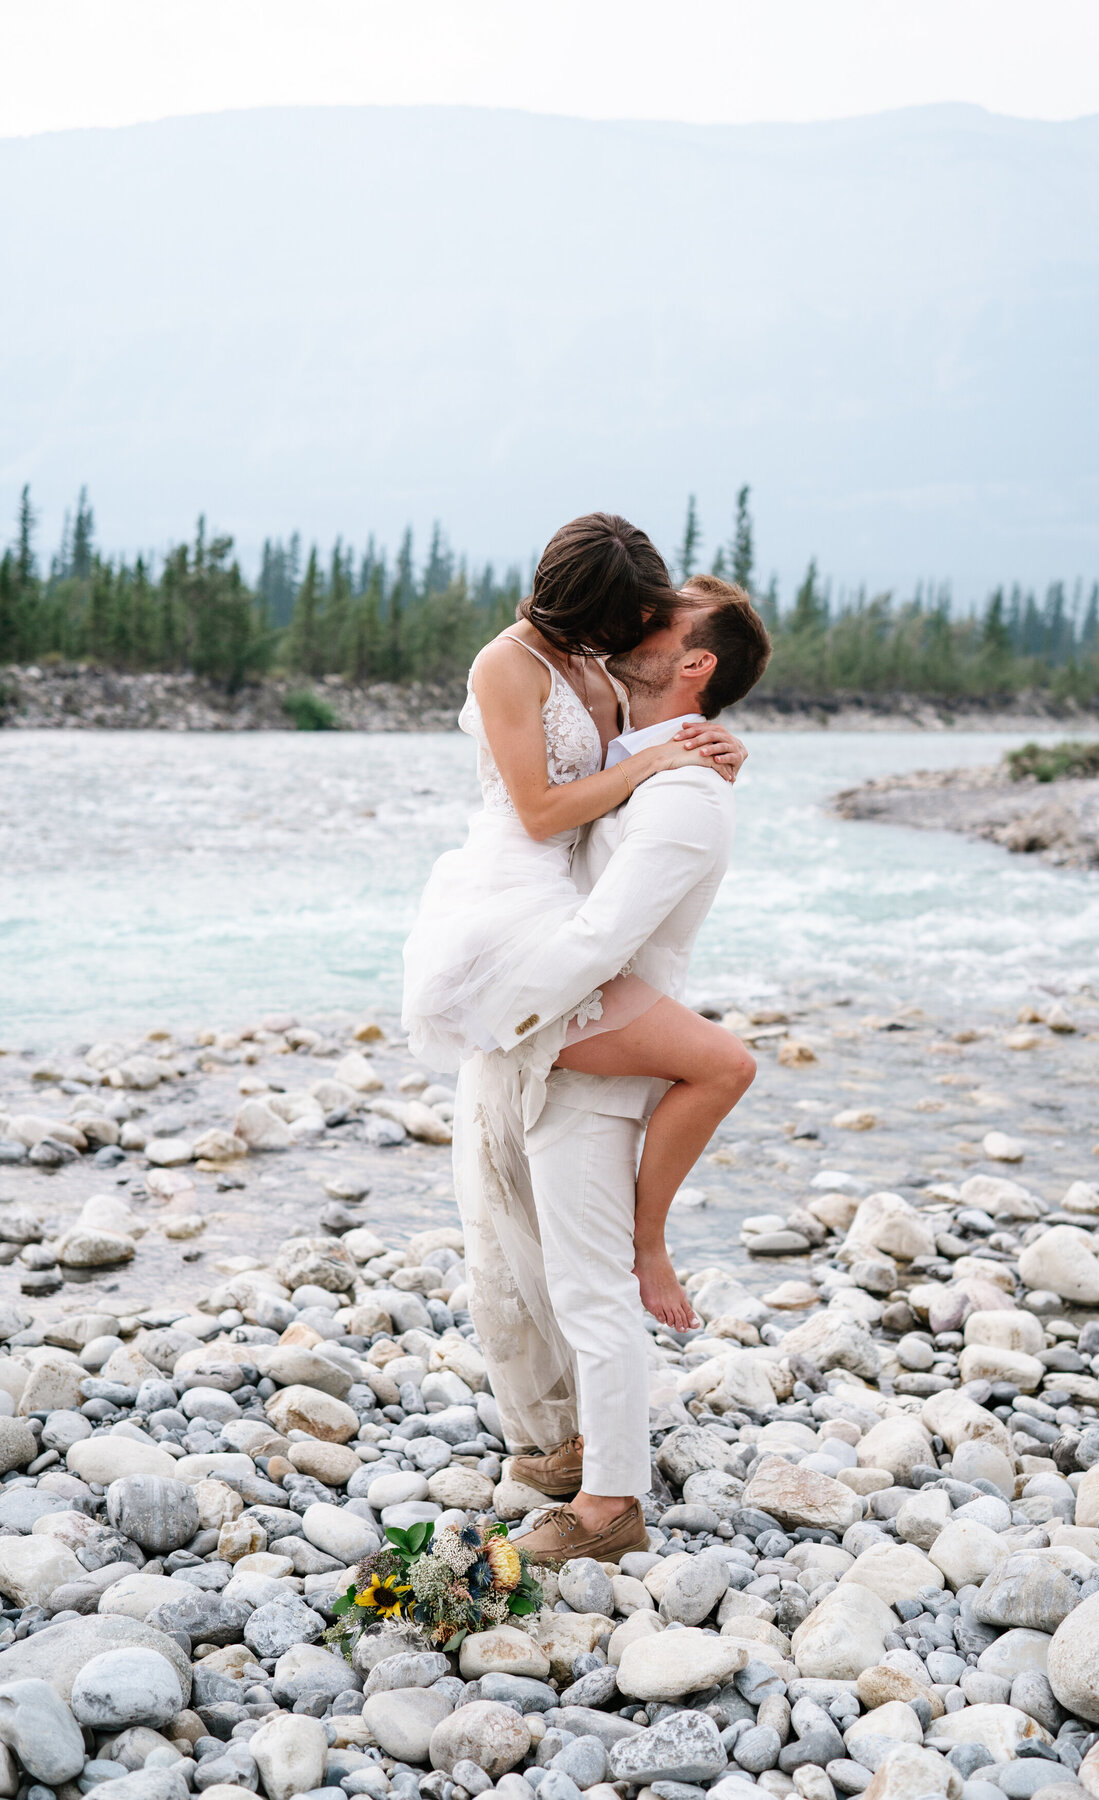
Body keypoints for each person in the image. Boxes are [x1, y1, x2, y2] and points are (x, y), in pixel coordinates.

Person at [454, 575, 772, 1564]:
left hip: (593, 1051)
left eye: (661, 616)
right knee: (537, 1264)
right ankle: (587, 1442)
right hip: (566, 1036)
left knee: (592, 1286)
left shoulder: (683, 799)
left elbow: (600, 939)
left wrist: (493, 1009)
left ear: (696, 664)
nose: (633, 620)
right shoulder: (638, 751)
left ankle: (609, 1508)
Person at [402, 515, 753, 1331]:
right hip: (515, 891)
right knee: (713, 1063)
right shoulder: (504, 663)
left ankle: (624, 1268)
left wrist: (715, 753)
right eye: (630, 613)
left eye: (649, 615)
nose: (637, 628)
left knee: (556, 1191)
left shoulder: (593, 654)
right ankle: (633, 1258)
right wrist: (652, 763)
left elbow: (665, 708)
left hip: (569, 886)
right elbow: (537, 811)